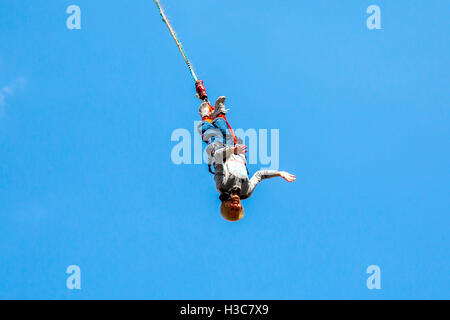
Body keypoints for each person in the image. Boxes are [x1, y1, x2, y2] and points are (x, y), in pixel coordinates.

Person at [199, 96, 296, 222]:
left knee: (210, 132)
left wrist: (232, 151)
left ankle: (205, 114)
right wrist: (279, 173)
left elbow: (217, 156)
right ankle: (218, 113)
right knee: (224, 129)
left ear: (225, 205)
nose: (235, 206)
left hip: (220, 149)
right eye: (237, 209)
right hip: (236, 151)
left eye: (231, 208)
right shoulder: (246, 191)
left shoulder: (222, 185)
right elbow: (260, 175)